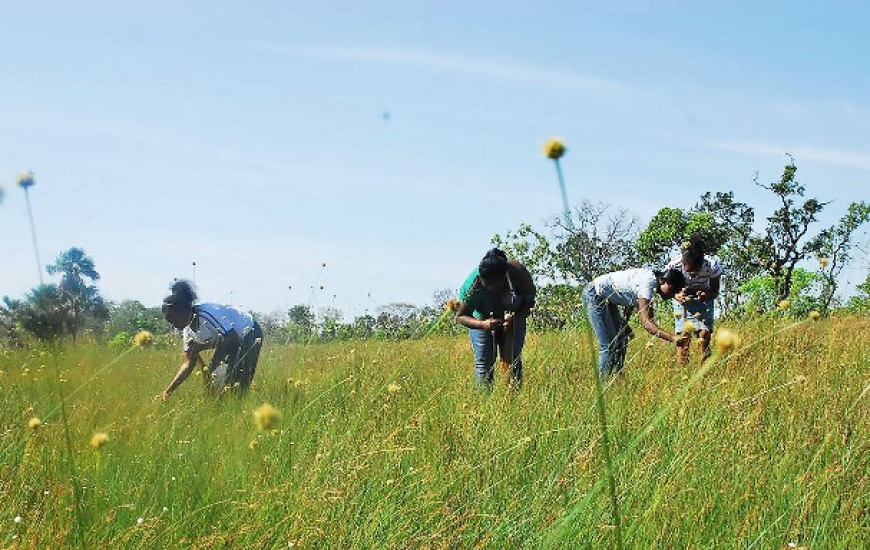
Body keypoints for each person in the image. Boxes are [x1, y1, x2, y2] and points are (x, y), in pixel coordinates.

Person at [159, 280, 263, 400]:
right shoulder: (187, 332)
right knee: (215, 379)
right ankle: (220, 406)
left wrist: (202, 347)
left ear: (183, 311)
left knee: (240, 382)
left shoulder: (207, 314)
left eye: (172, 319)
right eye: (169, 322)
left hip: (249, 332)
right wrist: (168, 391)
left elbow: (233, 338)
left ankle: (240, 404)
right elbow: (188, 364)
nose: (173, 326)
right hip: (229, 340)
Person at [582, 268, 687, 378]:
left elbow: (629, 299)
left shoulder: (650, 283)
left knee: (621, 339)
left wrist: (624, 325)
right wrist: (672, 338)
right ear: (664, 281)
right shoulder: (647, 285)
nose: (672, 295)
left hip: (609, 300)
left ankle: (617, 378)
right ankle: (603, 383)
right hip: (595, 295)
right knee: (608, 344)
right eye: (672, 290)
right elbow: (647, 323)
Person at [455, 248, 536, 389]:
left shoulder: (518, 274)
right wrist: (483, 325)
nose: (491, 289)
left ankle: (514, 399)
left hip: (514, 317)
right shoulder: (473, 284)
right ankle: (483, 404)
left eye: (495, 285)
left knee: (513, 359)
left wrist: (512, 319)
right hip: (481, 319)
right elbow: (461, 317)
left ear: (504, 276)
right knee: (484, 363)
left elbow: (529, 304)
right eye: (487, 285)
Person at [667, 235, 723, 364]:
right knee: (683, 337)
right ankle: (682, 372)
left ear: (700, 262)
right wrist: (676, 295)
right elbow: (665, 290)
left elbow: (714, 292)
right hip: (682, 299)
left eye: (692, 267)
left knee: (703, 334)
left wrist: (705, 295)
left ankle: (704, 371)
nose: (687, 269)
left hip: (704, 298)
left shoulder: (712, 266)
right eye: (685, 264)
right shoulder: (673, 266)